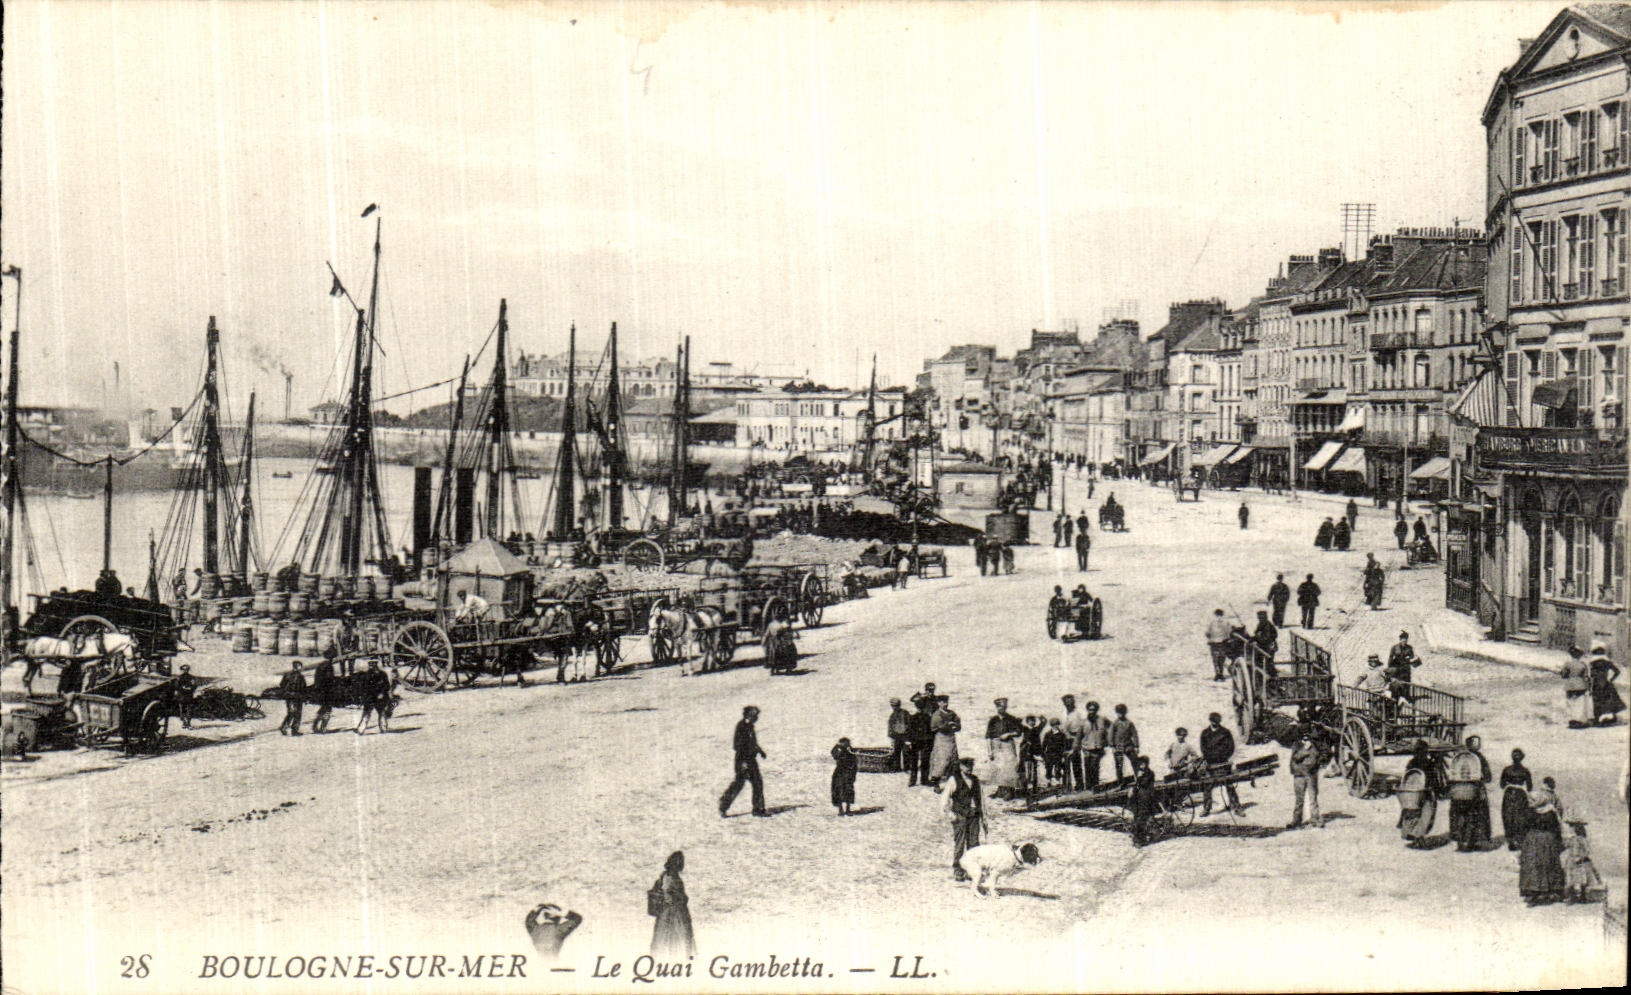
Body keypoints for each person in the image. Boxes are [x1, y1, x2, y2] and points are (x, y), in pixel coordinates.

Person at [1519, 778, 1566, 906]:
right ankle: (1547, 891)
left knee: (1534, 865)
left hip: (1533, 841)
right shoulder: (1551, 812)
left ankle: (1534, 893)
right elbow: (1557, 828)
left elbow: (1524, 826)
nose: (1530, 802)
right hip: (1547, 841)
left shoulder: (1532, 812)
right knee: (1547, 865)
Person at [719, 706, 769, 817]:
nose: (757, 718)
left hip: (751, 760)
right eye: (755, 715)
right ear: (748, 715)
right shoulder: (741, 727)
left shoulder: (750, 726)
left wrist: (760, 751)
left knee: (757, 783)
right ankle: (723, 804)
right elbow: (737, 746)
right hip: (743, 761)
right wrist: (744, 762)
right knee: (739, 784)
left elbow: (752, 742)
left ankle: (758, 809)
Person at [1446, 735, 1493, 852]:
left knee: (1458, 815)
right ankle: (1473, 841)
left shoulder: (1459, 757)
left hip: (1458, 791)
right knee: (1475, 815)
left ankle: (1461, 841)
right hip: (1474, 790)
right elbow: (1488, 777)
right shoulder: (1479, 758)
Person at [943, 757, 988, 880]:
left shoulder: (976, 780)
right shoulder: (954, 780)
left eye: (971, 765)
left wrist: (984, 817)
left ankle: (972, 871)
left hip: (974, 816)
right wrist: (950, 814)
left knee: (974, 845)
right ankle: (958, 869)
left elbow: (982, 800)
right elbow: (944, 799)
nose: (969, 768)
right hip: (960, 816)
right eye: (966, 765)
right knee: (960, 844)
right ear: (961, 767)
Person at [649, 851, 696, 958]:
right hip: (672, 913)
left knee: (671, 939)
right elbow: (668, 895)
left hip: (672, 912)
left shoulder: (667, 877)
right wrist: (680, 898)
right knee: (675, 938)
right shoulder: (669, 878)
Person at [1198, 713, 1244, 816]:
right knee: (1207, 785)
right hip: (1210, 764)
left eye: (1217, 722)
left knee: (1229, 785)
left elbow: (1230, 747)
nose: (1215, 723)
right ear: (1210, 721)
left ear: (1219, 721)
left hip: (1223, 763)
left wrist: (1222, 757)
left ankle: (1237, 807)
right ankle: (1206, 808)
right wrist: (1210, 757)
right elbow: (1203, 748)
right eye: (1213, 721)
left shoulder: (1225, 732)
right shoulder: (1205, 733)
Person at [1399, 740, 1443, 848]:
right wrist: (1438, 791)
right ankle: (1419, 837)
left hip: (1412, 793)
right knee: (1426, 815)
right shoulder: (1429, 764)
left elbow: (1407, 776)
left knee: (1412, 813)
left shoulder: (1411, 763)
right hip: (1426, 792)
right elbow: (1434, 779)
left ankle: (1413, 835)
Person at [984, 698, 1024, 799]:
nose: (1001, 708)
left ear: (1005, 707)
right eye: (999, 707)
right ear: (996, 707)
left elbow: (1018, 732)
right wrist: (989, 751)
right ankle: (1000, 790)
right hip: (996, 744)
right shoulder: (993, 720)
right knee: (998, 767)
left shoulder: (1011, 719)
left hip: (1007, 744)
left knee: (1010, 766)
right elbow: (988, 736)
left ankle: (1010, 791)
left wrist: (1008, 734)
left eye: (1003, 707)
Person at [1561, 820, 1604, 904]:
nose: (1572, 831)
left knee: (1582, 879)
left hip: (1581, 861)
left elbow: (1587, 851)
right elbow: (1566, 846)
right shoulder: (1572, 839)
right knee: (1571, 878)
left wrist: (1581, 857)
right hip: (1571, 860)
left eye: (1573, 829)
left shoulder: (1582, 839)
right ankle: (1572, 897)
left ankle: (1583, 897)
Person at [1288, 732, 1323, 829]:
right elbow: (1295, 757)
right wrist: (1305, 749)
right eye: (1304, 737)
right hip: (1299, 775)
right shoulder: (1297, 745)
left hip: (1311, 775)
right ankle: (1296, 821)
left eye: (1308, 737)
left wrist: (1316, 766)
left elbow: (1318, 756)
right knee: (1299, 799)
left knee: (1313, 798)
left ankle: (1315, 819)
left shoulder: (1314, 745)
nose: (1306, 739)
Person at [1587, 640, 1625, 725]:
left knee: (1597, 701)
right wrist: (1611, 680)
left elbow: (1592, 675)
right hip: (1606, 683)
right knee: (1609, 701)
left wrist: (1590, 685)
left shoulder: (1593, 663)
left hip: (1597, 684)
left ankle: (1597, 719)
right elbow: (1617, 671)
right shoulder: (1607, 662)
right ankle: (1612, 718)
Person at [929, 696, 961, 787]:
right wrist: (950, 725)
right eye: (942, 702)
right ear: (938, 703)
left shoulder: (951, 713)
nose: (945, 704)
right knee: (941, 761)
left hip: (951, 739)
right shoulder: (937, 714)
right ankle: (936, 784)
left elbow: (958, 725)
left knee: (954, 760)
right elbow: (941, 726)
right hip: (941, 739)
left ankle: (954, 783)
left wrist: (954, 725)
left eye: (946, 702)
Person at [1128, 756, 1160, 847]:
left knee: (1141, 819)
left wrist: (1138, 778)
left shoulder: (1149, 773)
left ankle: (1139, 840)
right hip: (1140, 798)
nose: (1141, 766)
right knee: (1138, 817)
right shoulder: (1142, 773)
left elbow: (1143, 784)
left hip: (1146, 798)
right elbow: (1137, 786)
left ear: (1146, 764)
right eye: (1140, 764)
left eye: (1142, 764)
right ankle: (1137, 838)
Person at [1078, 701, 1109, 791]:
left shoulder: (1102, 720)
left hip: (1097, 748)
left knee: (1095, 768)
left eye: (1094, 710)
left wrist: (1106, 741)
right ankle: (1088, 788)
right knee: (1087, 768)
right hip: (1087, 749)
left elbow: (1111, 729)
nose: (1092, 711)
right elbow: (1078, 736)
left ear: (1097, 710)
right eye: (1090, 710)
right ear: (1087, 710)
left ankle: (1095, 787)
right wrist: (1076, 747)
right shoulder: (1083, 722)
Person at [355, 660, 392, 734]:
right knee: (366, 714)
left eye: (373, 663)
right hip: (370, 697)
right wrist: (363, 696)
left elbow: (387, 685)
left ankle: (384, 728)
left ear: (376, 664)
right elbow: (364, 687)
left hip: (380, 697)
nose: (371, 665)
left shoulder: (382, 674)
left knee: (382, 713)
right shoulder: (366, 675)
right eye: (370, 664)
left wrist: (382, 693)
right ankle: (360, 730)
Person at [1560, 644, 1593, 729]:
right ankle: (1578, 720)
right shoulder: (1583, 664)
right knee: (1579, 703)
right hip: (1580, 685)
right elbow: (1586, 677)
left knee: (1570, 702)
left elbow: (1563, 675)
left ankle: (1571, 720)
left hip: (1570, 685)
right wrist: (1589, 686)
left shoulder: (1567, 664)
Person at [1060, 695, 1086, 791]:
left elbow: (1082, 728)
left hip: (1075, 739)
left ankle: (1079, 785)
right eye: (1066, 702)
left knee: (1076, 763)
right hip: (1065, 740)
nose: (1068, 704)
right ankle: (1067, 785)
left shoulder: (1079, 713)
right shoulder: (1063, 714)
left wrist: (1078, 741)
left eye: (1070, 702)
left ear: (1073, 702)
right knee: (1065, 764)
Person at [908, 696, 935, 787]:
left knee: (914, 761)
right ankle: (924, 780)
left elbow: (909, 731)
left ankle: (913, 780)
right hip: (925, 741)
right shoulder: (928, 717)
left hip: (915, 741)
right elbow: (931, 731)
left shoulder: (912, 717)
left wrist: (910, 741)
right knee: (925, 761)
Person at [1109, 704, 1140, 781]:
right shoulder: (1114, 723)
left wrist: (1136, 746)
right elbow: (1110, 735)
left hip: (1128, 745)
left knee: (1135, 761)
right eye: (1119, 713)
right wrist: (1112, 746)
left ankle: (1139, 778)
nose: (1120, 715)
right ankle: (1120, 781)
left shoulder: (1129, 723)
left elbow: (1134, 734)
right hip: (1118, 746)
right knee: (1119, 765)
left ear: (1125, 713)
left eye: (1122, 712)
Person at [278, 661, 307, 736]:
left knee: (291, 713)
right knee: (297, 713)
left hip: (289, 696)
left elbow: (281, 685)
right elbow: (303, 688)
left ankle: (284, 727)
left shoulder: (287, 675)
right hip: (297, 696)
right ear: (297, 667)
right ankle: (293, 730)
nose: (301, 668)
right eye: (300, 666)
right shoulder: (300, 677)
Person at [831, 738, 858, 816]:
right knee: (839, 791)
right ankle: (841, 810)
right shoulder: (840, 752)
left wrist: (853, 775)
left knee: (848, 792)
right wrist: (838, 745)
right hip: (840, 774)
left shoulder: (850, 753)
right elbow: (833, 753)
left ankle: (847, 809)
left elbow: (855, 765)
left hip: (847, 774)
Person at [1205, 609, 1233, 682]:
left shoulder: (1212, 622)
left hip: (1214, 643)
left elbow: (1207, 633)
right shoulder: (1226, 622)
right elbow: (1230, 632)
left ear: (1215, 614)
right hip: (1223, 643)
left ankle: (1217, 673)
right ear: (1222, 614)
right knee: (1222, 658)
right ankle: (1221, 673)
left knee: (1215, 659)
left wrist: (1211, 637)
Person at [309, 656, 336, 733]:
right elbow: (329, 678)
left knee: (323, 708)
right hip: (327, 691)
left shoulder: (320, 665)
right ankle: (323, 727)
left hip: (320, 690)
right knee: (328, 709)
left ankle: (315, 725)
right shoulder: (329, 666)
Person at [1020, 715, 1045, 794]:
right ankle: (1025, 789)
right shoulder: (1025, 729)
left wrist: (1041, 718)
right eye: (1031, 721)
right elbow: (1018, 725)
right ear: (1027, 722)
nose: (1032, 722)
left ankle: (1034, 789)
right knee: (1027, 772)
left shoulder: (1036, 729)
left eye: (1034, 721)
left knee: (1034, 771)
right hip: (1026, 753)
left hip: (1034, 752)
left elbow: (1043, 723)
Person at [1041, 718, 1068, 788]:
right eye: (1054, 725)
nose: (1055, 726)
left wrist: (1063, 756)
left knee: (1058, 768)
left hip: (1058, 754)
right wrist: (1043, 756)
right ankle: (1048, 782)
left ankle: (1058, 782)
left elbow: (1064, 746)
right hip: (1049, 754)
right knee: (1048, 768)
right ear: (1051, 725)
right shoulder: (1047, 734)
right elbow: (1044, 745)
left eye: (1057, 724)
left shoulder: (1062, 735)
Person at [887, 698, 911, 772]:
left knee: (906, 752)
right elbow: (890, 726)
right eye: (893, 706)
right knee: (896, 752)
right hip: (896, 735)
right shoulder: (892, 715)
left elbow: (909, 724)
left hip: (905, 735)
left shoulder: (905, 713)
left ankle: (906, 768)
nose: (894, 707)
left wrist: (909, 735)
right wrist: (891, 735)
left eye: (896, 706)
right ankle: (897, 767)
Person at [173, 663, 197, 731]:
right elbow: (177, 686)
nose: (185, 671)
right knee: (182, 710)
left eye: (186, 669)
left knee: (189, 710)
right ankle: (184, 723)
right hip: (182, 695)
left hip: (189, 695)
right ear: (182, 670)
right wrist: (182, 688)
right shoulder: (179, 677)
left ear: (188, 670)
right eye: (184, 669)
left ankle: (189, 723)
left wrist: (190, 688)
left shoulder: (191, 677)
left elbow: (194, 685)